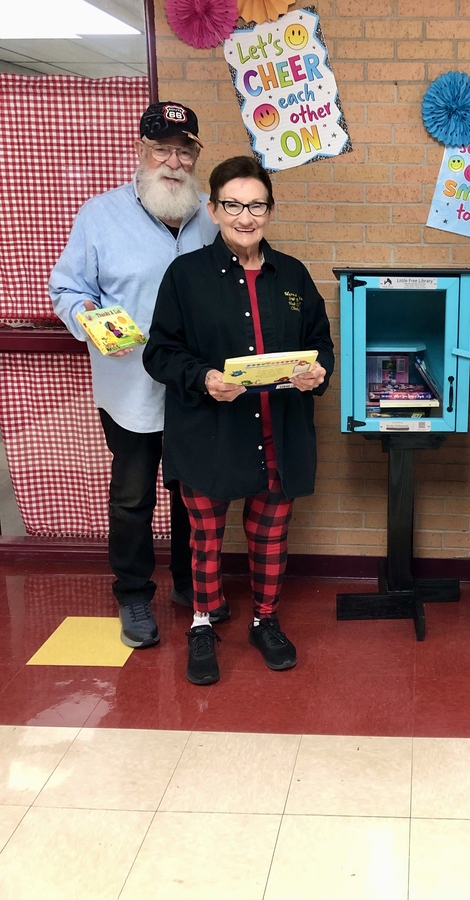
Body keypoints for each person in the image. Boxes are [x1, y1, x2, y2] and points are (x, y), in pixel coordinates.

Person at [142, 155, 334, 686]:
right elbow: (159, 352)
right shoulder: (186, 275)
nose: (245, 216)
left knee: (270, 534)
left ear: (270, 210)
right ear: (213, 208)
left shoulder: (292, 274)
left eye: (256, 205)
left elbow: (320, 342)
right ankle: (203, 623)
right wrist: (203, 378)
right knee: (206, 536)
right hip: (209, 433)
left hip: (278, 434)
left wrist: (316, 373)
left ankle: (264, 620)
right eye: (233, 205)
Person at [49, 101, 219, 649]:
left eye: (184, 150)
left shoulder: (208, 217)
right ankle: (132, 595)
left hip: (194, 387)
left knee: (193, 492)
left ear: (194, 156)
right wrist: (91, 321)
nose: (173, 161)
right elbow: (68, 290)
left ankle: (191, 587)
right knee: (132, 496)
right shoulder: (99, 214)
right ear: (140, 151)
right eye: (161, 149)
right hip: (130, 388)